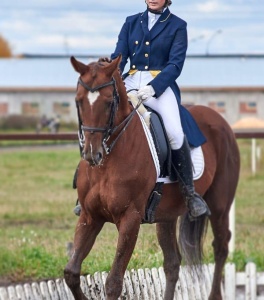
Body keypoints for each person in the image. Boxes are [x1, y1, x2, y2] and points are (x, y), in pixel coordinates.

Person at [73, 0, 210, 219]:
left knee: (174, 132)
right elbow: (121, 55)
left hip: (159, 85)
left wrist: (153, 88)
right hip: (129, 82)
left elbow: (175, 65)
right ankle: (85, 187)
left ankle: (189, 194)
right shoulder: (131, 22)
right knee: (101, 119)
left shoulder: (178, 26)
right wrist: (112, 67)